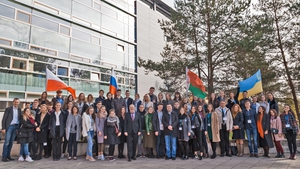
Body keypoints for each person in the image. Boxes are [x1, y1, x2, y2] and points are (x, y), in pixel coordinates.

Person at [2, 98, 22, 162]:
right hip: (9, 127)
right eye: (15, 102)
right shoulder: (8, 109)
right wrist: (3, 128)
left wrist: (18, 128)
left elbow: (19, 119)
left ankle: (8, 156)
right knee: (7, 142)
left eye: (17, 102)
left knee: (11, 142)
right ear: (13, 102)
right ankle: (4, 157)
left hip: (15, 127)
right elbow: (4, 119)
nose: (16, 103)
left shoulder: (19, 110)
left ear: (19, 103)